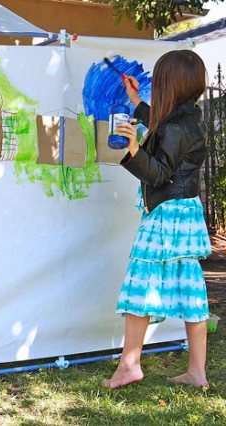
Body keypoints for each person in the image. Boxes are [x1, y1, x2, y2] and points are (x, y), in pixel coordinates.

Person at [104, 50, 211, 389]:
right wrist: (136, 102)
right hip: (185, 213)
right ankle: (197, 372)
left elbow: (159, 174)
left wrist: (133, 148)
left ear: (171, 85)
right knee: (191, 288)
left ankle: (129, 365)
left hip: (166, 214)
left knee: (141, 283)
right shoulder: (188, 118)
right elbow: (163, 129)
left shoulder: (177, 127)